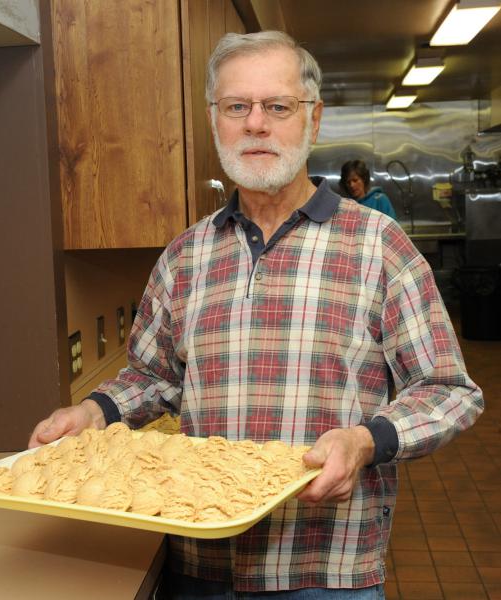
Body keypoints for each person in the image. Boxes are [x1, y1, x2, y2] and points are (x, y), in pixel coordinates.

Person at [29, 31, 483, 598]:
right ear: (215, 120)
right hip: (200, 563)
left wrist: (367, 440)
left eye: (277, 107)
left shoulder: (379, 246)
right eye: (237, 106)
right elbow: (154, 377)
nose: (256, 124)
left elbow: (448, 389)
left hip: (325, 569)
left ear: (312, 121)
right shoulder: (185, 256)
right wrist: (96, 411)